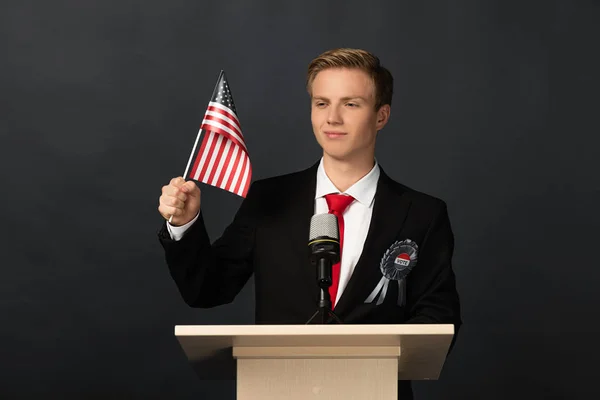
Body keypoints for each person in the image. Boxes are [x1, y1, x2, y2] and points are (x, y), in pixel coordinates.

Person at [157, 48, 461, 398]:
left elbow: (439, 317)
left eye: (351, 104)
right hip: (277, 388)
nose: (332, 118)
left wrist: (377, 355)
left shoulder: (423, 213)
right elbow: (207, 290)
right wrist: (185, 224)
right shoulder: (269, 199)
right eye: (321, 103)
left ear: (381, 116)